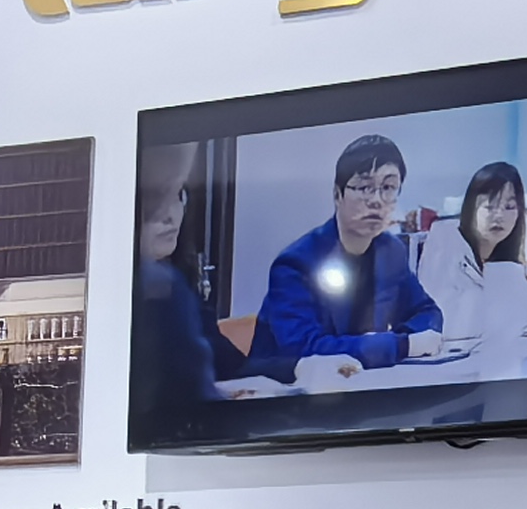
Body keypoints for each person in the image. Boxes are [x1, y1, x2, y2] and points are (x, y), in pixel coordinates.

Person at [247, 129, 443, 376]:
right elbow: (305, 349)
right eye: (364, 187)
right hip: (285, 391)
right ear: (337, 195)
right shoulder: (295, 264)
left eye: (388, 187)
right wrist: (401, 345)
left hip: (360, 383)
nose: (377, 200)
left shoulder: (391, 251)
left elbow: (428, 313)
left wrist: (403, 339)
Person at [130, 143, 226, 434]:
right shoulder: (158, 287)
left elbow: (230, 361)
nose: (171, 215)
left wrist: (303, 367)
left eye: (179, 194)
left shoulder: (179, 283)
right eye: (161, 195)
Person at [423, 158, 527, 354]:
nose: (499, 216)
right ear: (472, 208)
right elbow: (444, 324)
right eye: (489, 206)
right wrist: (522, 312)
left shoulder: (504, 263)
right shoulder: (445, 242)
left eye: (509, 207)